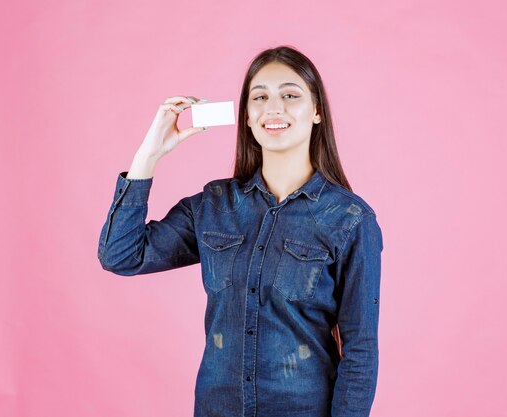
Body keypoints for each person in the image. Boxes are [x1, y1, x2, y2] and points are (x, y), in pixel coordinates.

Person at [97, 45, 384, 417]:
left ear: (316, 112)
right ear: (247, 117)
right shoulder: (213, 206)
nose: (274, 107)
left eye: (290, 95)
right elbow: (121, 255)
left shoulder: (350, 219)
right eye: (260, 97)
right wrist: (147, 156)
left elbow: (360, 349)